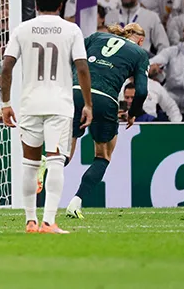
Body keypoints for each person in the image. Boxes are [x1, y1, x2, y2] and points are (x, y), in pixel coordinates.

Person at [0, 0, 92, 234]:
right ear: (61, 4)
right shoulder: (71, 30)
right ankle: (49, 221)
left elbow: (6, 67)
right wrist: (88, 104)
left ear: (35, 4)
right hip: (59, 105)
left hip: (29, 104)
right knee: (55, 161)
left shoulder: (22, 29)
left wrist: (6, 103)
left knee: (29, 164)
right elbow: (82, 68)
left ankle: (30, 220)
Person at [63, 23, 148, 220]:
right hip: (105, 99)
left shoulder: (96, 37)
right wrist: (132, 113)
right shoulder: (139, 53)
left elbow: (71, 57)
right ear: (141, 40)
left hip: (75, 93)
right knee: (103, 155)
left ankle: (45, 164)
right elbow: (142, 91)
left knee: (65, 151)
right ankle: (75, 203)